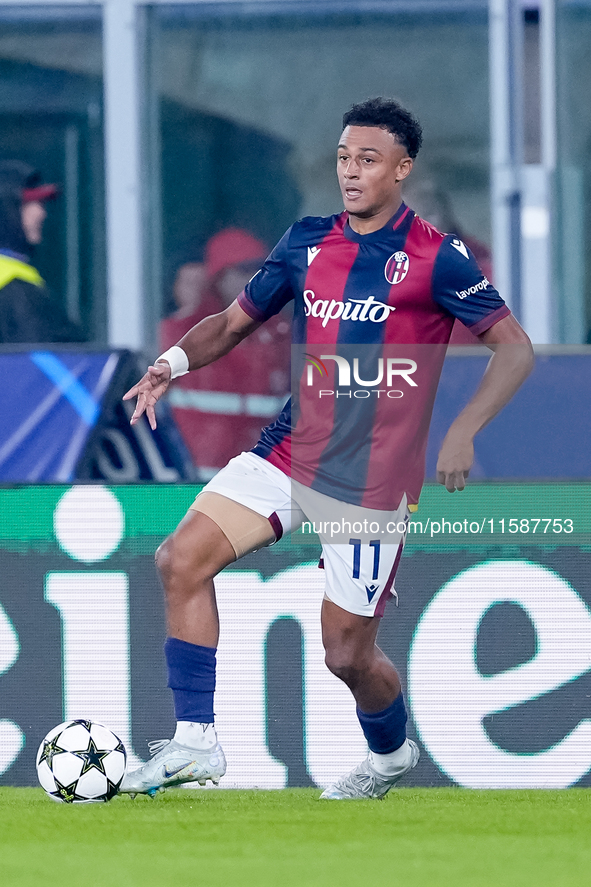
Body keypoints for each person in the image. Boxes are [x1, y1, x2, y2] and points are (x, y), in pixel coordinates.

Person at [122, 97, 534, 800]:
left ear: (402, 170)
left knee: (346, 653)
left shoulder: (437, 259)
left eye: (367, 160)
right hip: (289, 450)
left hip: (371, 482)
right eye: (344, 157)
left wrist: (462, 430)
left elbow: (513, 349)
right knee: (179, 558)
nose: (350, 171)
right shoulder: (306, 241)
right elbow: (230, 322)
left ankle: (390, 754)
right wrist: (173, 363)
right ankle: (196, 742)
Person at [161, 229, 290, 478]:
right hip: (194, 482)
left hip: (260, 480)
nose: (255, 278)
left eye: (262, 269)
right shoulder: (183, 332)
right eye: (244, 269)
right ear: (218, 277)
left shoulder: (283, 335)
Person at [0, 160, 82, 344]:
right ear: (4, 209)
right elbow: (43, 365)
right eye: (28, 203)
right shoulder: (15, 290)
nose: (41, 213)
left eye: (40, 203)